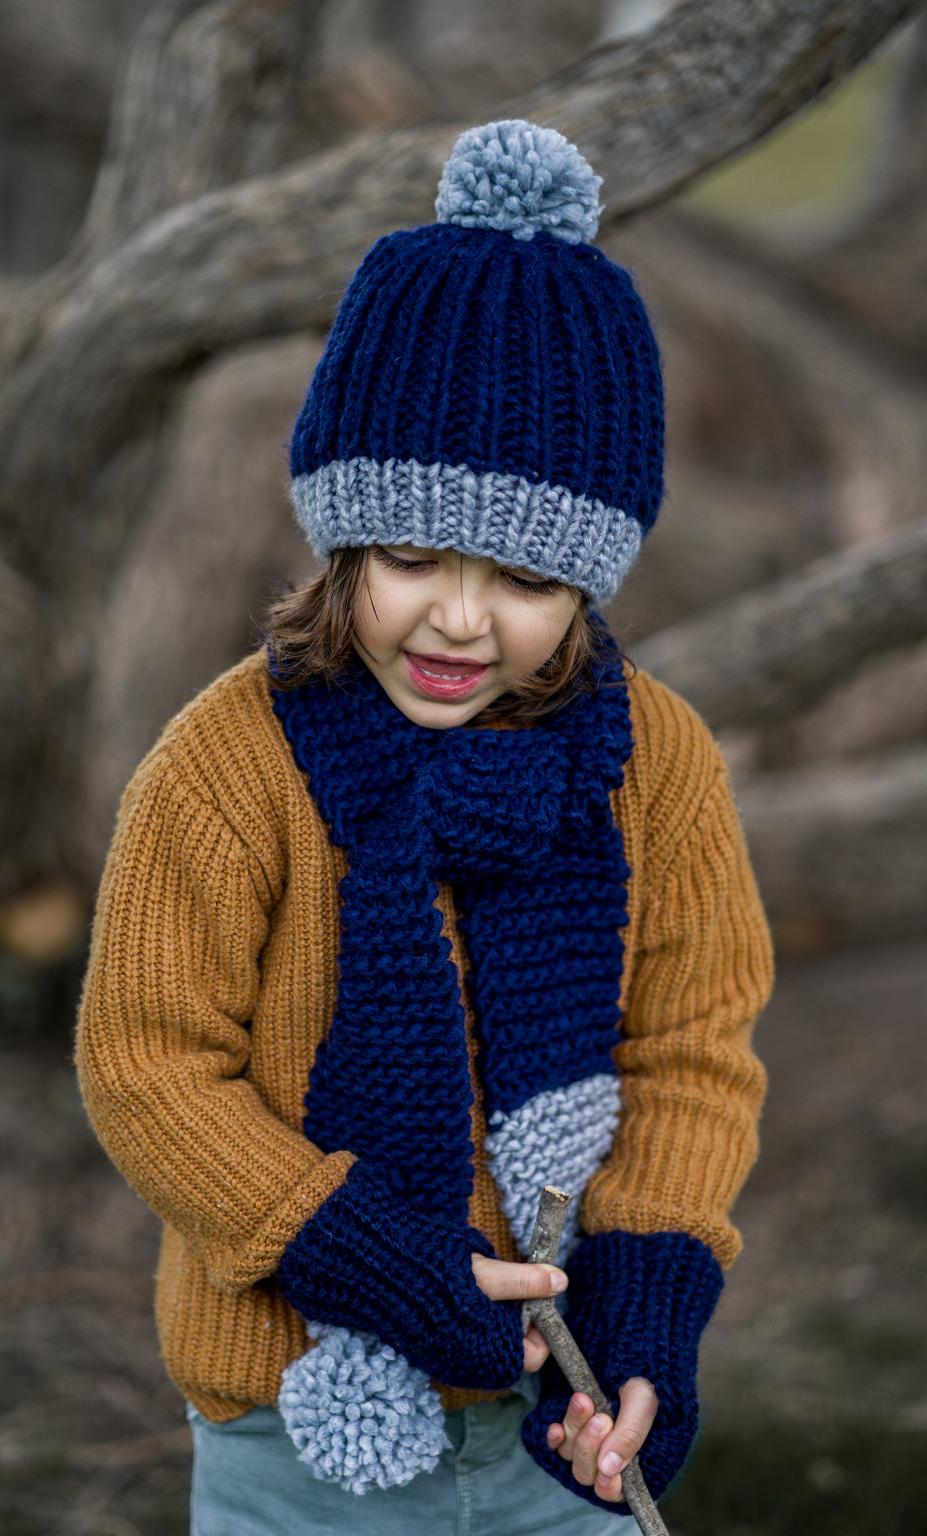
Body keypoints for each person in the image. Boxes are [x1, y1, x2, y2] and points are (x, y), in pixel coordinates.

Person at [76, 119, 773, 1535]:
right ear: (343, 538)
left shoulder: (658, 769)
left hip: (560, 1412)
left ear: (591, 581)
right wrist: (357, 1253)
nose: (459, 617)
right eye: (409, 558)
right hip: (295, 1420)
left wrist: (647, 1300)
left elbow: (691, 1051)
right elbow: (149, 1060)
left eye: (522, 576)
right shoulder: (230, 765)